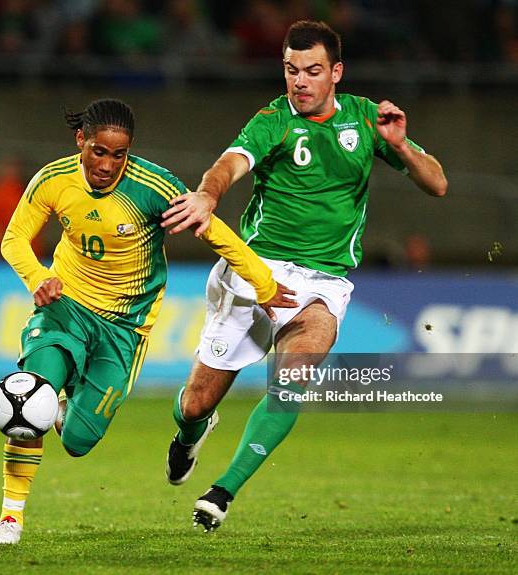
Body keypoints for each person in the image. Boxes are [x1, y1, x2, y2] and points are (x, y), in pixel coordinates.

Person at [162, 19, 448, 531]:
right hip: (256, 273)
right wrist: (208, 195)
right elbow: (228, 164)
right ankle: (189, 434)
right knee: (194, 403)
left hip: (323, 283)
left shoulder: (367, 119)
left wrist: (402, 147)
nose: (300, 81)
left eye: (313, 71)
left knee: (294, 378)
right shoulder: (273, 120)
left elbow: (438, 185)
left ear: (336, 72)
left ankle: (221, 493)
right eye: (291, 70)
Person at [0, 98, 297, 545]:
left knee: (78, 441)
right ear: (81, 141)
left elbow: (212, 229)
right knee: (29, 398)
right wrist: (38, 276)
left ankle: (71, 404)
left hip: (123, 329)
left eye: (119, 154)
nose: (108, 165)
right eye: (98, 151)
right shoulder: (53, 180)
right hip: (64, 309)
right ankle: (9, 520)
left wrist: (263, 284)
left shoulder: (154, 188)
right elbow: (14, 238)